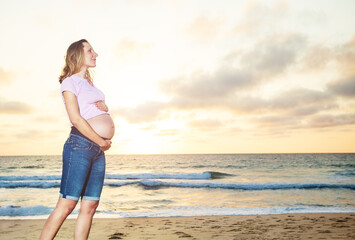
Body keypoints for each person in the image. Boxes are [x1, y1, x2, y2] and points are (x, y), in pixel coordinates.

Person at [40, 39, 115, 240]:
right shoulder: (69, 82)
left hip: (97, 150)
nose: (95, 54)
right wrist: (101, 141)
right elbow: (75, 118)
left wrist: (105, 108)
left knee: (90, 205)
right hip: (80, 146)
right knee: (67, 205)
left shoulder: (89, 83)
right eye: (90, 50)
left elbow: (91, 109)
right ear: (78, 55)